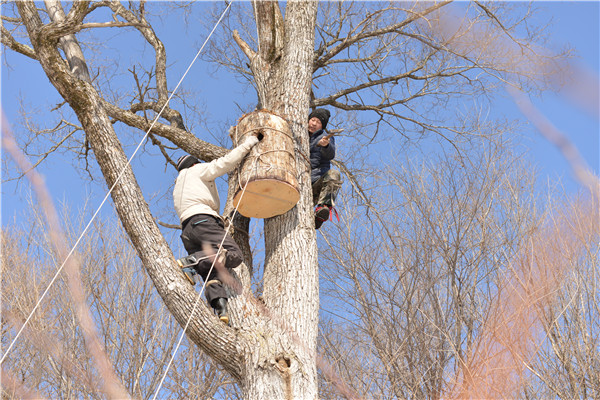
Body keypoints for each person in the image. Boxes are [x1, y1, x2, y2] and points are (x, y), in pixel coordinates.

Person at [173, 133, 260, 324]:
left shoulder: (179, 185)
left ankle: (221, 311)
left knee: (212, 274)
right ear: (194, 164)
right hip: (203, 221)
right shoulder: (196, 170)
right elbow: (225, 163)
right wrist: (249, 143)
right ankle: (190, 262)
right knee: (234, 254)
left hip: (188, 230)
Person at [308, 108, 342, 229]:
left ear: (322, 126)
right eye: (312, 120)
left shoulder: (324, 137)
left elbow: (330, 154)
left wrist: (326, 145)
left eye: (318, 122)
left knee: (334, 174)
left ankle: (322, 211)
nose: (313, 123)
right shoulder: (300, 135)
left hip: (317, 183)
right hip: (300, 184)